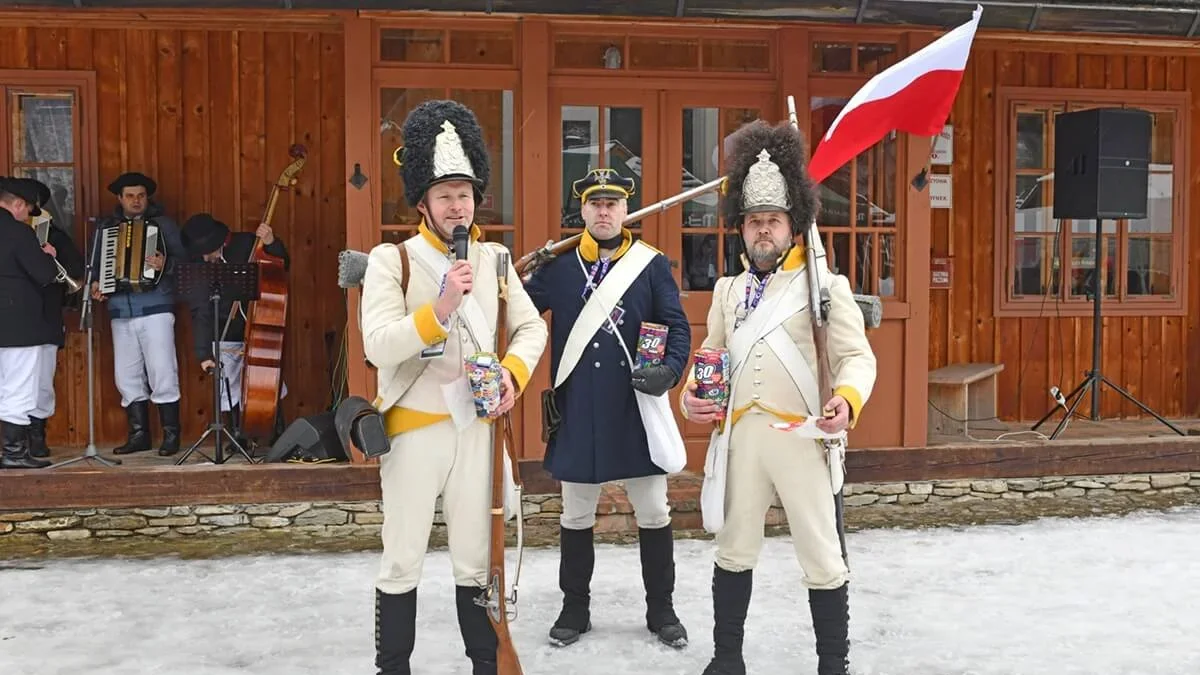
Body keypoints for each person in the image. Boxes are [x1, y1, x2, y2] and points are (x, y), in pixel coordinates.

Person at [680, 119, 877, 675]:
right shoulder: (728, 291)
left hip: (803, 440)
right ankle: (726, 659)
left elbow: (857, 359)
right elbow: (710, 360)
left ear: (794, 226)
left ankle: (832, 664)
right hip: (742, 439)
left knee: (821, 556)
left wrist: (847, 400)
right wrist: (692, 397)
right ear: (740, 228)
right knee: (733, 551)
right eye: (754, 221)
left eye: (773, 221)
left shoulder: (825, 286)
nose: (762, 230)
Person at [360, 99, 548, 675]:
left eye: (464, 193)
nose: (457, 205)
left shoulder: (495, 258)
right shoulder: (392, 259)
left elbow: (530, 328)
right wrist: (439, 309)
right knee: (402, 561)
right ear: (422, 202)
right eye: (445, 195)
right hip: (415, 431)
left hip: (478, 430)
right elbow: (378, 345)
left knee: (475, 563)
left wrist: (513, 377)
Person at [524, 167, 692, 649]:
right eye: (594, 203)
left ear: (624, 209)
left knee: (654, 513)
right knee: (575, 515)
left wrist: (670, 371)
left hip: (634, 409)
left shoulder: (651, 265)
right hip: (578, 409)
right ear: (582, 210)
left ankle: (662, 609)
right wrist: (510, 274)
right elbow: (514, 311)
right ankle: (574, 608)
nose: (603, 211)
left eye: (612, 203)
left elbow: (676, 327)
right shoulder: (557, 266)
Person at [89, 171, 184, 456]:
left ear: (147, 198)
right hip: (120, 310)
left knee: (162, 370)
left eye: (141, 196)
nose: (136, 201)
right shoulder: (107, 228)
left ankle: (171, 434)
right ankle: (139, 435)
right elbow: (95, 266)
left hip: (156, 308)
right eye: (130, 196)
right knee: (126, 375)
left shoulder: (164, 225)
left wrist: (164, 263)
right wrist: (97, 284)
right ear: (120, 199)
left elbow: (185, 262)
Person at [180, 213, 289, 446]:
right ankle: (238, 435)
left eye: (206, 252)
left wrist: (271, 243)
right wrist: (203, 353)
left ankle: (276, 430)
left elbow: (281, 265)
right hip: (223, 330)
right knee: (228, 384)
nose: (204, 258)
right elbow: (200, 309)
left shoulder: (248, 243)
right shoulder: (201, 264)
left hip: (260, 322)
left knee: (268, 380)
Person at [0, 177, 62, 469]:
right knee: (18, 387)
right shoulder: (18, 233)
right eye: (27, 211)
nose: (27, 217)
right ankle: (13, 452)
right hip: (18, 324)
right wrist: (46, 256)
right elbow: (45, 275)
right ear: (18, 204)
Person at [25, 178, 85, 459]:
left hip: (45, 315)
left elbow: (75, 269)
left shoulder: (54, 234)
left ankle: (36, 436)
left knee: (41, 380)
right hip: (11, 315)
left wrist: (55, 254)